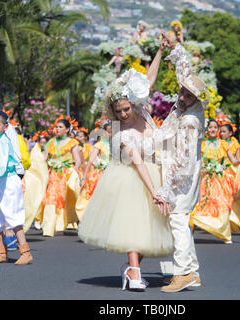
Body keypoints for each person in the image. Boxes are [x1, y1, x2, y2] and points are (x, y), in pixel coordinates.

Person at [78, 39, 173, 292]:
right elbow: (138, 162)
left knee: (151, 230)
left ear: (132, 103)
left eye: (125, 109)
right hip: (133, 178)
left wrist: (160, 52)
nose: (123, 115)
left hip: (157, 169)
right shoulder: (121, 135)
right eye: (118, 111)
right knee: (133, 225)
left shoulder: (142, 109)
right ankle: (134, 273)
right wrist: (155, 192)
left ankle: (132, 267)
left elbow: (148, 81)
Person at [154, 33, 206, 292]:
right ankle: (192, 272)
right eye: (182, 91)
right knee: (180, 219)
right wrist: (175, 47)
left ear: (196, 99)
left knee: (177, 219)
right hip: (183, 171)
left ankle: (183, 272)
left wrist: (167, 188)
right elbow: (184, 72)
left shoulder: (190, 121)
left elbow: (183, 161)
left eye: (188, 94)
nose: (182, 95)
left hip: (183, 176)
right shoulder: (183, 105)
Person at [0, 111, 32, 265]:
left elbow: (0, 168)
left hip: (8, 181)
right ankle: (1, 252)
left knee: (13, 215)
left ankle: (25, 252)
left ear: (5, 127)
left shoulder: (4, 141)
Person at [189, 119, 239, 243]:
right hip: (204, 179)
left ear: (218, 130)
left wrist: (239, 162)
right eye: (210, 127)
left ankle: (224, 234)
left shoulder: (223, 144)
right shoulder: (202, 144)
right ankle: (190, 231)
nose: (212, 130)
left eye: (215, 128)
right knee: (200, 204)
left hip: (219, 180)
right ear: (207, 130)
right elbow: (195, 160)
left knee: (221, 203)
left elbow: (233, 161)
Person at [32, 117, 83, 236]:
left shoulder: (72, 142)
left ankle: (71, 222)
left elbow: (78, 161)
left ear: (67, 129)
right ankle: (49, 227)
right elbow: (44, 158)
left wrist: (73, 173)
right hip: (53, 175)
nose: (57, 129)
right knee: (50, 198)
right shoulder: (51, 142)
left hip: (67, 174)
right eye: (56, 127)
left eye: (60, 127)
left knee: (68, 199)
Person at [76, 121, 111, 222]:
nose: (110, 134)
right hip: (99, 175)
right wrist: (84, 176)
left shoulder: (115, 144)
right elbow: (90, 161)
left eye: (111, 131)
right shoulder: (99, 145)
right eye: (108, 131)